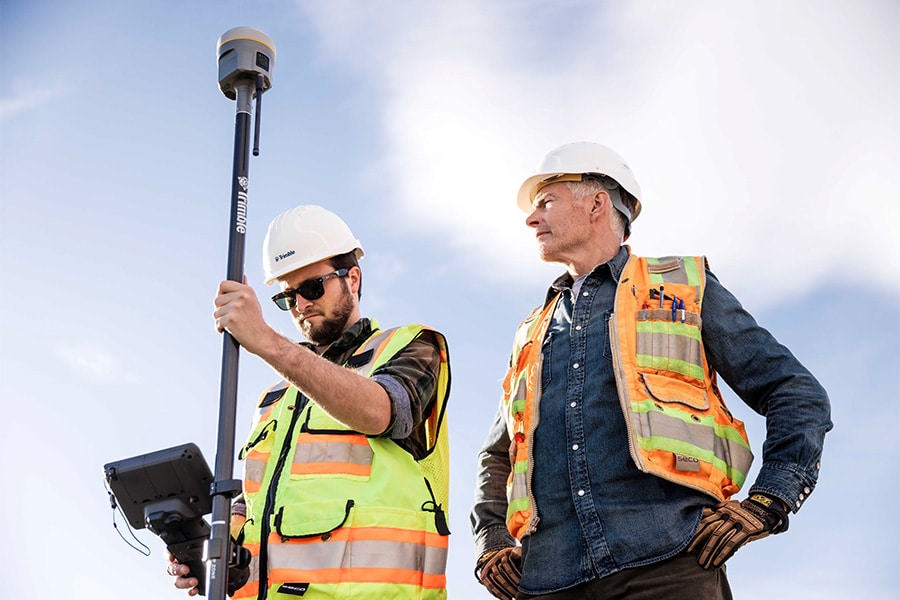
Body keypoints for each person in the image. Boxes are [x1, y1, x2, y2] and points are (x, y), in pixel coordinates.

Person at [470, 142, 832, 599]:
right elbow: (499, 452)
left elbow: (795, 392)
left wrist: (770, 499)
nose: (531, 218)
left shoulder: (681, 285)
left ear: (597, 203)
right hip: (548, 579)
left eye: (546, 202)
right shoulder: (531, 331)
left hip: (668, 565)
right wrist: (492, 540)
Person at [167, 205, 452, 599]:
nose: (300, 305)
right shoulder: (275, 398)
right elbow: (250, 507)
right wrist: (213, 556)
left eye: (312, 288)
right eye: (286, 297)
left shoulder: (411, 346)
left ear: (352, 278)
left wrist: (265, 340)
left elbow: (381, 411)